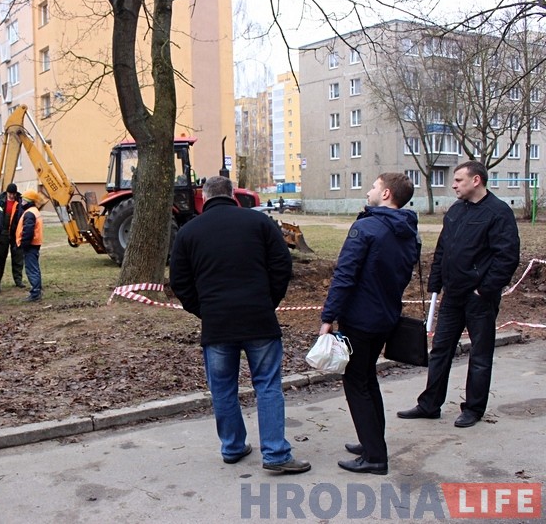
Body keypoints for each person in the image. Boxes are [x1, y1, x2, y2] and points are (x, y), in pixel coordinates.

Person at [169, 176, 310, 474]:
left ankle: (232, 446)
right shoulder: (260, 224)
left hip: (217, 324)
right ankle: (275, 453)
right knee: (268, 386)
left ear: (204, 197)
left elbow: (180, 282)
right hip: (259, 318)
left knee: (222, 389)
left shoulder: (188, 232)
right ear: (232, 194)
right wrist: (267, 301)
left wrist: (203, 310)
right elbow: (282, 266)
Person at [398, 160, 520, 428]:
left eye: (459, 180)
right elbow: (443, 249)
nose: (453, 185)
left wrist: (484, 289)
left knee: (480, 353)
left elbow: (507, 257)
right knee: (440, 349)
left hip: (479, 299)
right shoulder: (455, 211)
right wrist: (435, 283)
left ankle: (473, 409)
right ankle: (429, 404)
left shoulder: (498, 213)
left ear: (476, 180)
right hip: (452, 295)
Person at [319, 173, 419, 475]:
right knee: (368, 379)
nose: (368, 191)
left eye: (373, 187)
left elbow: (345, 275)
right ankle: (371, 442)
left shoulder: (366, 228)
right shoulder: (408, 230)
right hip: (386, 315)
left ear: (386, 193)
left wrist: (328, 317)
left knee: (356, 383)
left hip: (361, 319)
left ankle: (375, 456)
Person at [0, 183, 26, 288]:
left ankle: (18, 280)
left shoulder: (21, 202)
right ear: (7, 192)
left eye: (13, 194)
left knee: (17, 257)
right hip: (3, 233)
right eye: (10, 193)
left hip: (15, 233)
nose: (11, 196)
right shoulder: (0, 201)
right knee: (0, 258)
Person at [17, 189, 45, 302]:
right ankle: (37, 290)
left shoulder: (29, 213)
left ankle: (35, 293)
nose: (21, 202)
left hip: (30, 245)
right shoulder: (34, 211)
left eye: (23, 200)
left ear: (28, 201)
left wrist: (24, 243)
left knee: (31, 269)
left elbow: (28, 230)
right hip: (34, 244)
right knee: (35, 268)